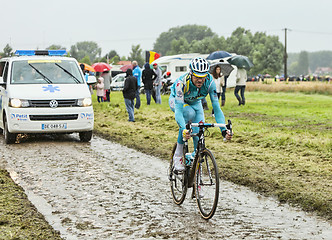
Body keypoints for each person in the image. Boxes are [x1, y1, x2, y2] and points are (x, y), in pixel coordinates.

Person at [169, 57, 232, 171]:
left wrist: (223, 130)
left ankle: (193, 160)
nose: (200, 80)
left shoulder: (210, 83)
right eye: (197, 77)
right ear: (191, 73)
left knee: (199, 130)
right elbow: (178, 111)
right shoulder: (181, 83)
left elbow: (216, 109)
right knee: (189, 113)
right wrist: (184, 129)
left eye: (202, 77)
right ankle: (178, 156)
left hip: (195, 102)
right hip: (177, 101)